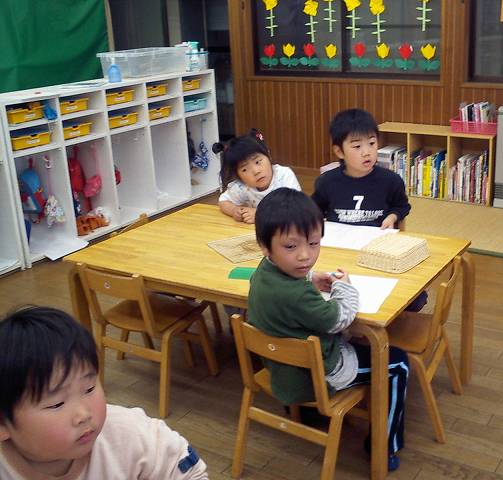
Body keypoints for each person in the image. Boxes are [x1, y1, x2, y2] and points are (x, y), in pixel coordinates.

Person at [247, 188, 409, 471]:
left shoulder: (261, 271)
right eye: (291, 247)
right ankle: (384, 446)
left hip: (281, 369)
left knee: (362, 344)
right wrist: (344, 287)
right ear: (264, 245)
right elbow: (339, 319)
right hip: (316, 376)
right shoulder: (298, 296)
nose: (305, 256)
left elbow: (290, 288)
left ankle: (307, 413)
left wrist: (309, 278)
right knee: (398, 362)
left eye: (313, 244)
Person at [0, 306, 208, 479]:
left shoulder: (128, 433)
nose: (84, 414)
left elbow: (190, 472)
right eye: (57, 404)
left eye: (89, 388)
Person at [312, 108, 427, 311]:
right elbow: (314, 211)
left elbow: (402, 205)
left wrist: (393, 216)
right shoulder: (327, 182)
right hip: (339, 251)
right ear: (339, 152)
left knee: (411, 299)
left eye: (372, 143)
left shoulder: (390, 181)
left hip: (377, 253)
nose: (367, 152)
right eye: (357, 146)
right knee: (324, 292)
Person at [215, 128, 301, 224]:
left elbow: (296, 208)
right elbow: (223, 201)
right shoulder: (242, 186)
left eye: (257, 162)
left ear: (268, 155)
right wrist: (234, 210)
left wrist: (260, 215)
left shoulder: (284, 176)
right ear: (238, 176)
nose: (256, 172)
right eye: (244, 169)